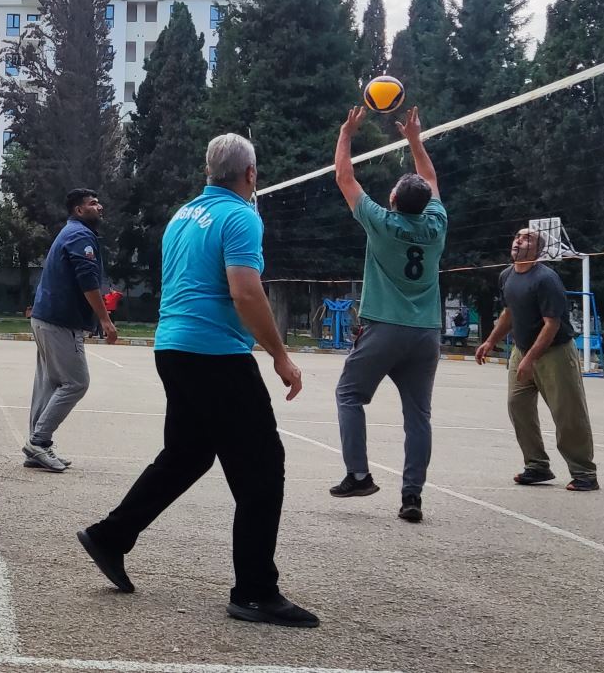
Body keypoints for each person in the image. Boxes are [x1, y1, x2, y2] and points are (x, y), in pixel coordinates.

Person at [78, 134, 317, 629]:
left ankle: (110, 536)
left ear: (210, 171)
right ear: (250, 174)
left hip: (173, 348)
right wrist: (280, 356)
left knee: (187, 455)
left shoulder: (183, 215)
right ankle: (255, 592)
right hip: (215, 355)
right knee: (262, 468)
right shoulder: (241, 216)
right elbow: (245, 292)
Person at [329, 106, 447, 523]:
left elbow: (345, 177)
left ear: (393, 200)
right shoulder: (437, 225)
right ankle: (412, 496)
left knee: (349, 395)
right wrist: (415, 140)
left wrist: (347, 133)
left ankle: (359, 475)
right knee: (418, 416)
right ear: (426, 204)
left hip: (384, 329)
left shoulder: (380, 221)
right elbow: (430, 178)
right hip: (426, 333)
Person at [475, 229, 598, 492]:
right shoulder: (506, 275)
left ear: (538, 251)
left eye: (527, 238)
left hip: (555, 352)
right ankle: (537, 465)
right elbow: (509, 312)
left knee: (567, 412)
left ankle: (584, 472)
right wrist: (490, 341)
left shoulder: (546, 279)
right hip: (522, 350)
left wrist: (530, 359)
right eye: (517, 236)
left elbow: (552, 324)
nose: (518, 240)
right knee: (517, 405)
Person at [23, 188, 118, 473]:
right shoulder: (80, 236)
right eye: (93, 203)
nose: (100, 207)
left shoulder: (72, 232)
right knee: (76, 383)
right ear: (79, 210)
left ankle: (37, 447)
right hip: (60, 322)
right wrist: (105, 320)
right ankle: (39, 441)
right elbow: (87, 281)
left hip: (47, 318)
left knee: (50, 383)